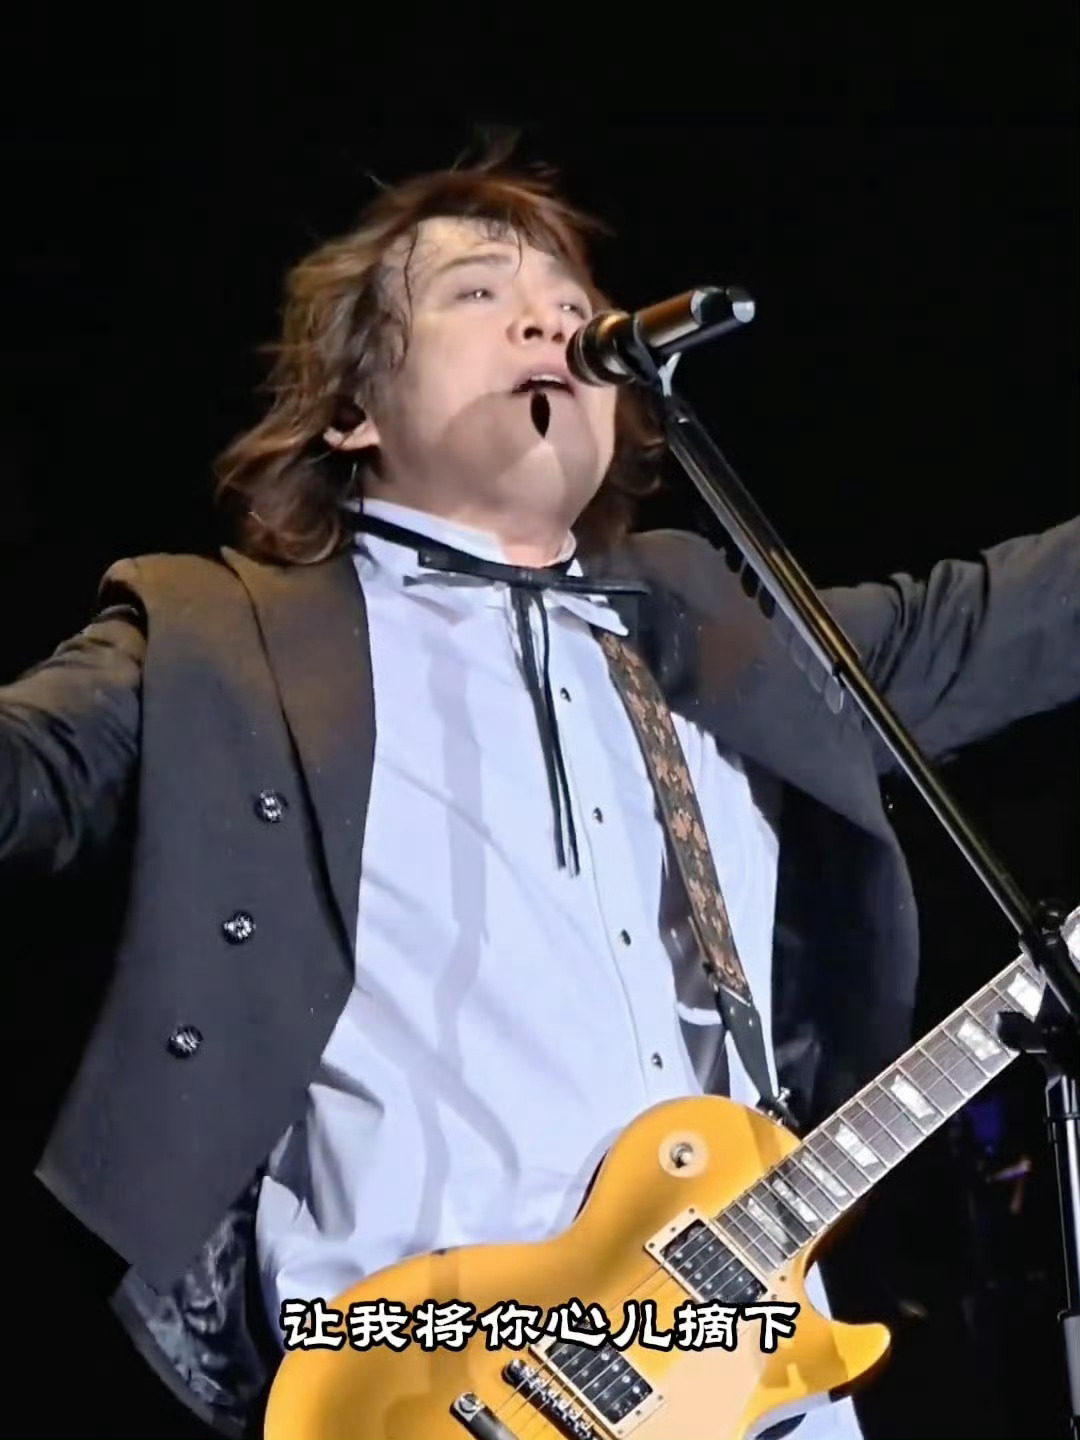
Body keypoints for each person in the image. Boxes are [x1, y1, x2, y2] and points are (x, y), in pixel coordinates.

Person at [2, 150, 1077, 1440]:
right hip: (424, 1372)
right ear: (351, 410)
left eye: (573, 304)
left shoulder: (719, 638)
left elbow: (1004, 620)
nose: (550, 320)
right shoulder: (219, 639)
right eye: (477, 291)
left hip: (744, 1376)